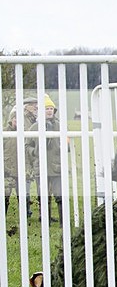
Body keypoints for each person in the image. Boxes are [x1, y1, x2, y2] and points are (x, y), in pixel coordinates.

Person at [26, 94, 64, 224]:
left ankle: (62, 221)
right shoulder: (34, 128)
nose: (49, 111)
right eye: (47, 109)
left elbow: (68, 144)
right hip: (40, 166)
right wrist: (34, 152)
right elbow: (27, 145)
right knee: (43, 195)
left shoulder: (60, 126)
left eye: (51, 109)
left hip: (56, 166)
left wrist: (62, 148)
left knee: (59, 194)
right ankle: (45, 220)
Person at [4, 107, 31, 231]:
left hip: (22, 170)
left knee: (23, 195)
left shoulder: (27, 134)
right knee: (6, 195)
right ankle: (3, 216)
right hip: (7, 170)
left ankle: (24, 218)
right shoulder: (5, 133)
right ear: (12, 119)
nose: (17, 121)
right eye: (15, 119)